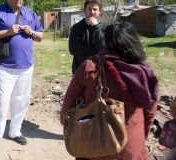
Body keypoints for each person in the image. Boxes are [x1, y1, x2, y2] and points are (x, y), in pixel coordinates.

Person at [60, 21, 158, 159]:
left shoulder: (91, 66)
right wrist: (139, 137)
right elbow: (150, 112)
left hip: (93, 147)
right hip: (130, 149)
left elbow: (68, 105)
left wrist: (72, 131)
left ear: (106, 41)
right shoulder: (144, 72)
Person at [0, 0, 44, 155]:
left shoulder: (30, 13)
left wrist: (31, 32)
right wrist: (8, 32)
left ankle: (15, 131)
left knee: (21, 101)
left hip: (26, 66)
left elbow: (40, 36)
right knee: (1, 102)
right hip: (3, 66)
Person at [68, 0, 104, 74]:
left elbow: (103, 47)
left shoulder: (104, 28)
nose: (92, 12)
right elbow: (73, 49)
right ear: (85, 10)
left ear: (99, 11)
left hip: (99, 70)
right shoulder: (76, 27)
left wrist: (96, 27)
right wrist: (96, 51)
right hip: (80, 70)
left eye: (95, 9)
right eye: (89, 9)